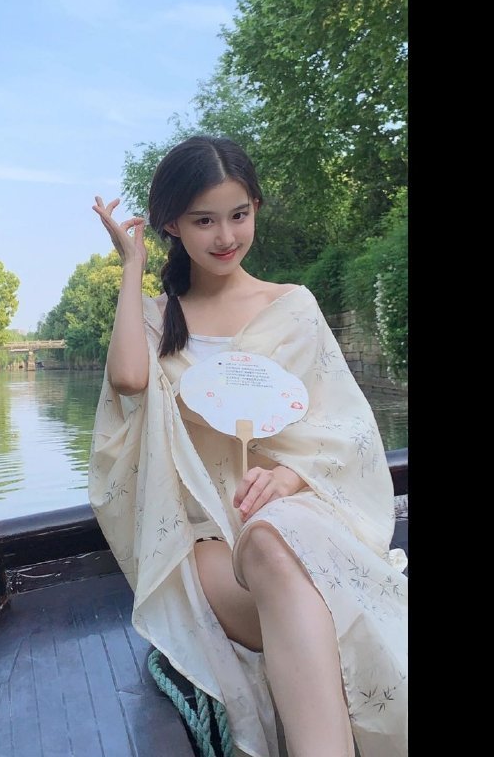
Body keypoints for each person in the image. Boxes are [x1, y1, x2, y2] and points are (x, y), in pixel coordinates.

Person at [88, 135, 407, 757]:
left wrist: (288, 478)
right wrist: (131, 267)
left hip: (302, 514)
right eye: (204, 221)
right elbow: (128, 381)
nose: (225, 236)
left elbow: (345, 432)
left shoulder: (293, 307)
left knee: (272, 536)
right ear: (172, 225)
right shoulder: (157, 319)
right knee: (276, 562)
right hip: (209, 535)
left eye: (238, 215)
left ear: (256, 207)